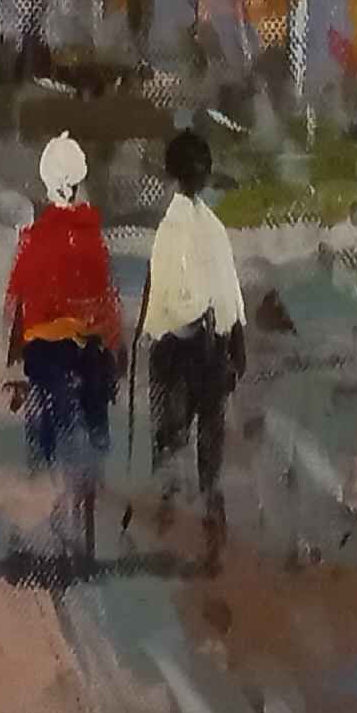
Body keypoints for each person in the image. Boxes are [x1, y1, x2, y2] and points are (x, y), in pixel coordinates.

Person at [3, 133, 123, 571]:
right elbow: (108, 300)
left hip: (48, 352)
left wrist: (12, 352)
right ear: (79, 182)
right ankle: (89, 490)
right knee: (96, 410)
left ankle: (53, 478)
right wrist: (115, 346)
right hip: (90, 349)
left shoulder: (34, 238)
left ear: (47, 183)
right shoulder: (93, 238)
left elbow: (15, 300)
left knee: (43, 406)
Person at [141, 128, 249, 568]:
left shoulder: (172, 229)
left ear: (172, 174)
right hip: (209, 348)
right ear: (203, 175)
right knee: (207, 445)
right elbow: (230, 294)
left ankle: (176, 524)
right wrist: (237, 343)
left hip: (180, 350)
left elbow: (165, 302)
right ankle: (206, 526)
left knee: (172, 439)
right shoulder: (210, 227)